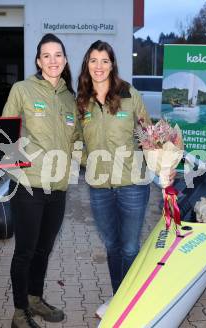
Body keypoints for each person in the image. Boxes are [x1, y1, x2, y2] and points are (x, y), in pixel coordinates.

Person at [0, 33, 78, 328]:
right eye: (46, 55)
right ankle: (20, 313)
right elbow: (4, 130)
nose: (53, 60)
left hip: (58, 187)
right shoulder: (22, 90)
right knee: (25, 251)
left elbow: (80, 140)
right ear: (38, 61)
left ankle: (35, 298)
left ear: (65, 60)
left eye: (58, 55)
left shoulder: (70, 99)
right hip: (28, 184)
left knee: (44, 250)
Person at [76, 40, 153, 318]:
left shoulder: (129, 94)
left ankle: (133, 301)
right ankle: (119, 299)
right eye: (93, 60)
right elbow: (75, 142)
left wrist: (162, 162)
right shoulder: (81, 100)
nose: (99, 66)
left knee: (130, 247)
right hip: (99, 188)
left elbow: (148, 133)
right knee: (112, 246)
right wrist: (89, 161)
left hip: (132, 183)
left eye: (104, 61)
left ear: (112, 64)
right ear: (87, 64)